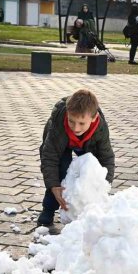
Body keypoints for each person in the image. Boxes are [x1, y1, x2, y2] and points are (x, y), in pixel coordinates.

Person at [37, 89, 115, 233]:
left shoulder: (100, 129)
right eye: (71, 121)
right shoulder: (58, 124)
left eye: (81, 123)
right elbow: (49, 157)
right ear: (67, 113)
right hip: (61, 143)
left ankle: (86, 214)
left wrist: (103, 186)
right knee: (61, 171)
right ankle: (47, 211)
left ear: (93, 118)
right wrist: (54, 185)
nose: (76, 127)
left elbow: (107, 158)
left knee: (90, 172)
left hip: (87, 143)